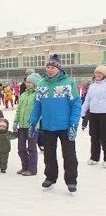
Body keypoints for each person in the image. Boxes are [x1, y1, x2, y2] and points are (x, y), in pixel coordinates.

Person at [29, 54, 82, 193]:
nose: (50, 70)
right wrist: (32, 123)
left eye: (52, 67)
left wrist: (73, 124)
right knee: (49, 155)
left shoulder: (69, 83)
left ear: (58, 68)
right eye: (48, 67)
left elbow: (76, 104)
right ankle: (50, 178)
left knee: (69, 155)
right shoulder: (41, 84)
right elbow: (37, 106)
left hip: (66, 126)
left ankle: (71, 181)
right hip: (47, 126)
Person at [13, 73, 42, 176]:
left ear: (35, 84)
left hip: (32, 126)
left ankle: (32, 169)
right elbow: (19, 110)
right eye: (27, 82)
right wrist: (16, 121)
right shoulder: (23, 94)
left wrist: (34, 123)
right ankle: (24, 166)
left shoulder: (38, 95)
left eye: (30, 82)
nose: (27, 84)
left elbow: (39, 111)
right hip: (22, 126)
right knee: (21, 148)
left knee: (31, 148)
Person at [81, 65, 106, 167]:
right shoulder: (92, 86)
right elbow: (87, 100)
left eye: (100, 73)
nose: (97, 75)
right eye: (96, 73)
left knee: (104, 136)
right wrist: (83, 112)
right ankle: (94, 157)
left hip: (104, 113)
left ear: (104, 74)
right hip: (93, 113)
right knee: (94, 136)